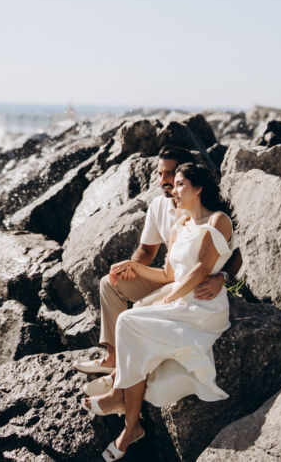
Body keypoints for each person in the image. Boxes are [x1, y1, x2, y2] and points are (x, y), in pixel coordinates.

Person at [83, 162, 237, 461]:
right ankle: (130, 423)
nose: (174, 191)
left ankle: (123, 407)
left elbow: (200, 270)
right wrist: (134, 267)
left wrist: (169, 300)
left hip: (201, 306)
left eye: (180, 184)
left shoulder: (218, 220)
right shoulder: (180, 225)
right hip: (178, 297)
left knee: (129, 321)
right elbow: (168, 274)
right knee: (133, 322)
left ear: (198, 188)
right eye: (174, 184)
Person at [74, 147, 229, 377]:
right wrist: (131, 267)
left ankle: (126, 375)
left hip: (195, 286)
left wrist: (223, 278)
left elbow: (231, 254)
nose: (163, 180)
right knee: (110, 282)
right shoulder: (158, 206)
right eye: (159, 174)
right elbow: (147, 250)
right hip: (170, 277)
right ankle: (113, 358)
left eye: (170, 174)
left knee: (138, 313)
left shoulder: (209, 212)